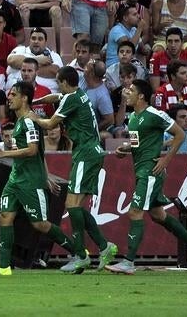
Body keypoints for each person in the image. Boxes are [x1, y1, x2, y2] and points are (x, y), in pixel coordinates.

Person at [107, 79, 187, 274]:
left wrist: (165, 161)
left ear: (141, 95)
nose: (127, 92)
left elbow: (180, 135)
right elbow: (137, 144)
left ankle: (128, 262)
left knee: (135, 212)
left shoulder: (155, 114)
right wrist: (124, 149)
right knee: (158, 215)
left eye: (131, 90)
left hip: (151, 172)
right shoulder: (133, 117)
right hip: (141, 170)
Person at [30, 66, 118, 274]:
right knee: (77, 205)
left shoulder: (70, 99)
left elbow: (51, 123)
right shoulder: (78, 94)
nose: (58, 86)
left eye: (58, 82)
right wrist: (37, 101)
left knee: (72, 204)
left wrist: (32, 116)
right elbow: (54, 97)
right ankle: (105, 247)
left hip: (86, 153)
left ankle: (81, 255)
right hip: (92, 151)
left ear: (63, 82)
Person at [0, 81, 76, 276]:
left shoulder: (28, 121)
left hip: (30, 181)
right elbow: (38, 153)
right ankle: (3, 267)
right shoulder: (20, 121)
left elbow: (33, 150)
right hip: (15, 179)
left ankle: (78, 252)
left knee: (40, 224)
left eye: (13, 94)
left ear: (24, 98)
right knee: (5, 217)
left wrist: (4, 155)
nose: (9, 98)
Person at [6, 27, 63, 93]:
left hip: (47, 97)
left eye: (40, 39)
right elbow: (11, 60)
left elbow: (55, 71)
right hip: (17, 94)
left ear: (45, 42)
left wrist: (22, 64)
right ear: (29, 40)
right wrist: (37, 60)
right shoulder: (20, 49)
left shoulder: (53, 55)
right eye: (33, 38)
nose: (36, 41)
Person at [152, 59, 187, 132]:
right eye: (183, 73)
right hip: (172, 130)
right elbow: (161, 119)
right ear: (173, 76)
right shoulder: (161, 93)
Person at [84, 60, 115, 140]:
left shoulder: (102, 95)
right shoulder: (84, 81)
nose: (84, 68)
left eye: (87, 67)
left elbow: (109, 119)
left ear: (92, 74)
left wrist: (91, 130)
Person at [110, 63, 137, 138]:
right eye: (122, 77)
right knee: (119, 132)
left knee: (136, 133)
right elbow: (118, 123)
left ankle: (136, 149)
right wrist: (123, 101)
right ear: (119, 78)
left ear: (135, 77)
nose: (125, 81)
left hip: (136, 125)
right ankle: (121, 150)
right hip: (122, 126)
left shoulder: (140, 93)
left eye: (129, 77)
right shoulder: (114, 94)